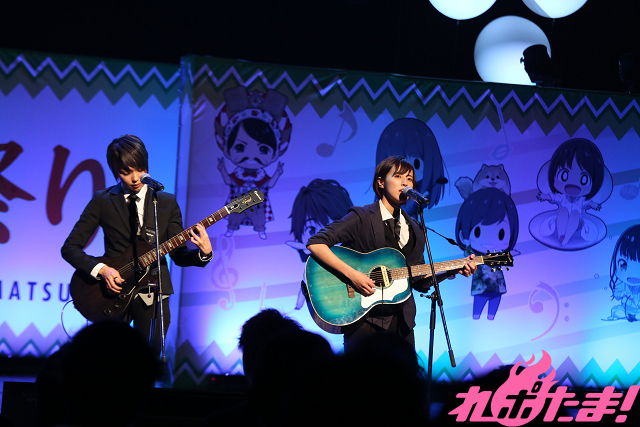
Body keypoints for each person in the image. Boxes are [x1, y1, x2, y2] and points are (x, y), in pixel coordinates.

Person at [307, 155, 476, 351]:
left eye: (410, 178)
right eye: (398, 176)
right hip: (365, 321)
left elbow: (418, 281)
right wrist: (353, 276)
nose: (405, 183)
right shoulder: (362, 217)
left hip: (403, 323)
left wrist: (449, 272)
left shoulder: (416, 229)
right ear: (381, 182)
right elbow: (316, 244)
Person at [61, 135, 212, 346]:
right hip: (113, 293)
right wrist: (103, 270)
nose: (135, 178)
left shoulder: (166, 202)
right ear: (115, 171)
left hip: (154, 291)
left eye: (140, 169)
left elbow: (178, 255)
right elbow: (70, 248)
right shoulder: (102, 201)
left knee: (149, 358)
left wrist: (204, 254)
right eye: (126, 172)